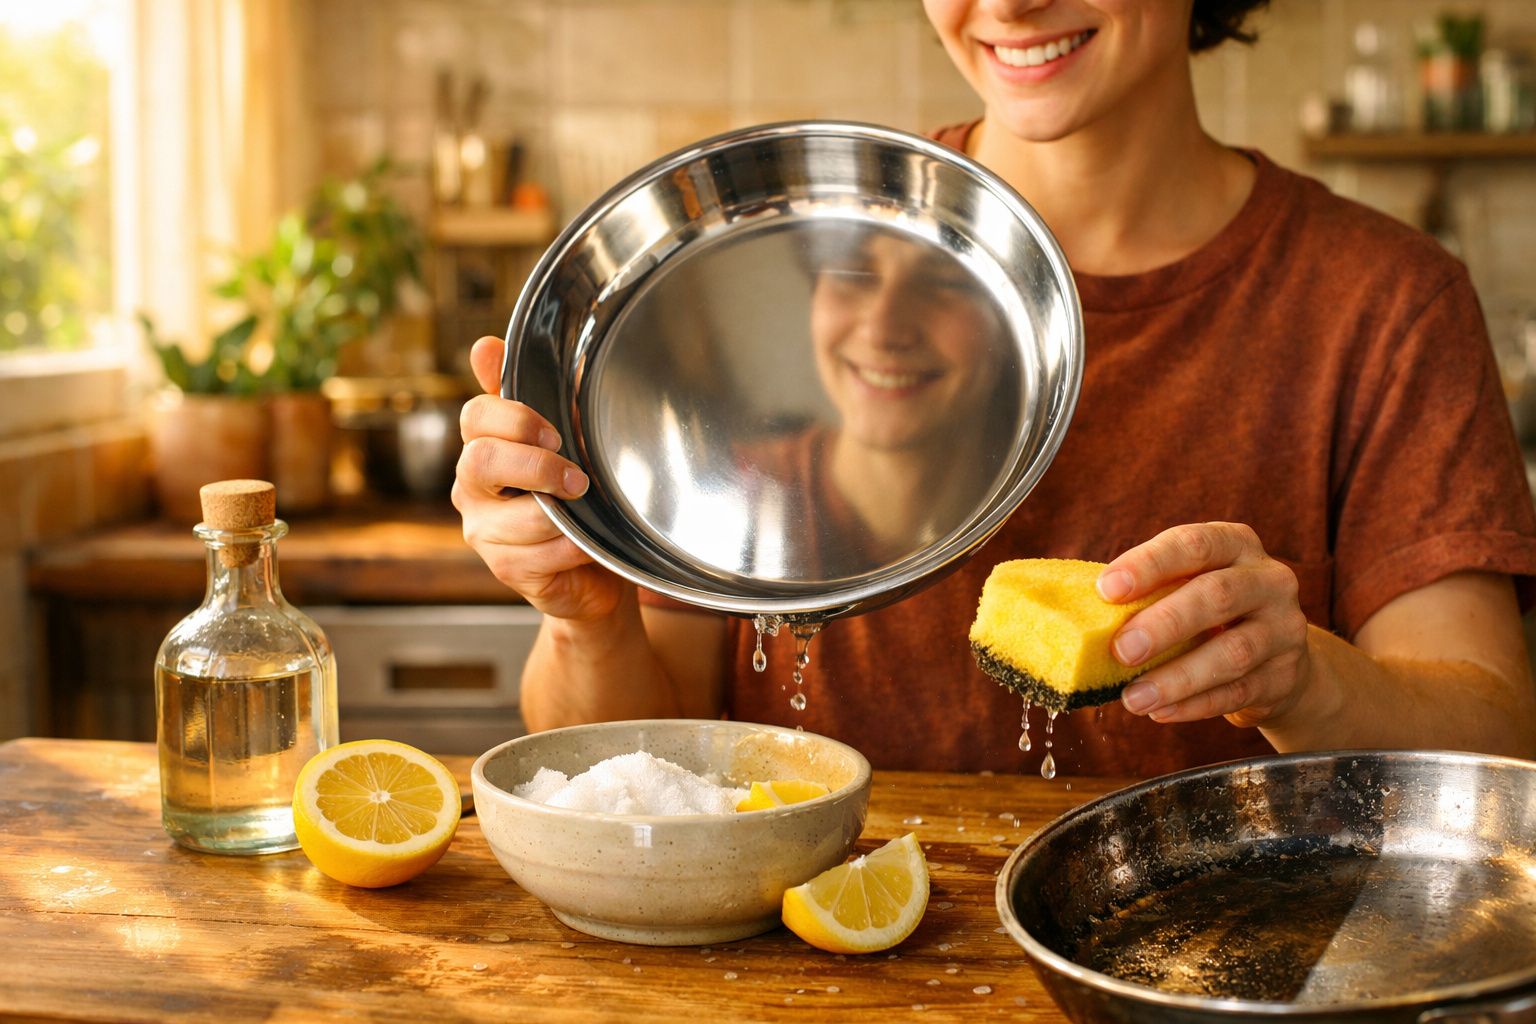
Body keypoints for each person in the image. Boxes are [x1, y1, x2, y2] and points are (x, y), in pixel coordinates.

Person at [454, 0, 1536, 776]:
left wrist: (1306, 681)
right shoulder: (824, 249)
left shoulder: (1383, 302)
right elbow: (637, 766)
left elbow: (1499, 743)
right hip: (810, 978)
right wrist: (586, 620)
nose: (1011, 3)